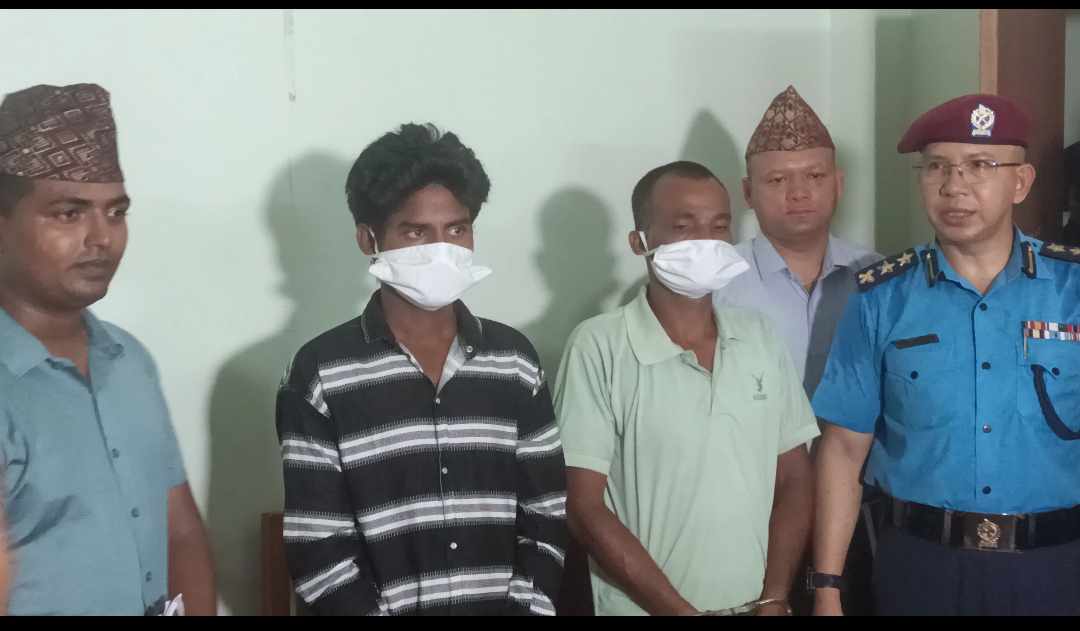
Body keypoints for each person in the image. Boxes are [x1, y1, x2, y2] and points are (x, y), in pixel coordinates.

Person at [275, 123, 567, 615]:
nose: (442, 250)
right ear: (368, 238)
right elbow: (318, 549)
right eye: (416, 233)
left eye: (457, 230)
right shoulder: (321, 374)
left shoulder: (515, 362)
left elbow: (545, 517)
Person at [812, 93, 1080, 616]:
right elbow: (842, 450)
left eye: (980, 166)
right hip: (921, 566)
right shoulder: (880, 299)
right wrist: (826, 587)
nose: (954, 186)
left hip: (1056, 566)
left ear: (1021, 182)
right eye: (936, 166)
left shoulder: (1071, 290)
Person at [556, 160, 819, 616]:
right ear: (639, 242)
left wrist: (776, 596)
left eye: (719, 226)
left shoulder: (758, 336)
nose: (705, 241)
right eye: (683, 227)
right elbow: (583, 507)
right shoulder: (598, 346)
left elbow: (794, 478)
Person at [0, 83, 215, 615]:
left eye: (116, 213)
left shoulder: (128, 360)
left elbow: (181, 533)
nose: (102, 238)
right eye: (68, 214)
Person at [717, 85, 880, 615]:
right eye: (777, 180)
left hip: (858, 512)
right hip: (747, 511)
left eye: (814, 176)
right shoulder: (715, 285)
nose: (798, 192)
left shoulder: (879, 278)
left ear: (839, 183)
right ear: (747, 191)